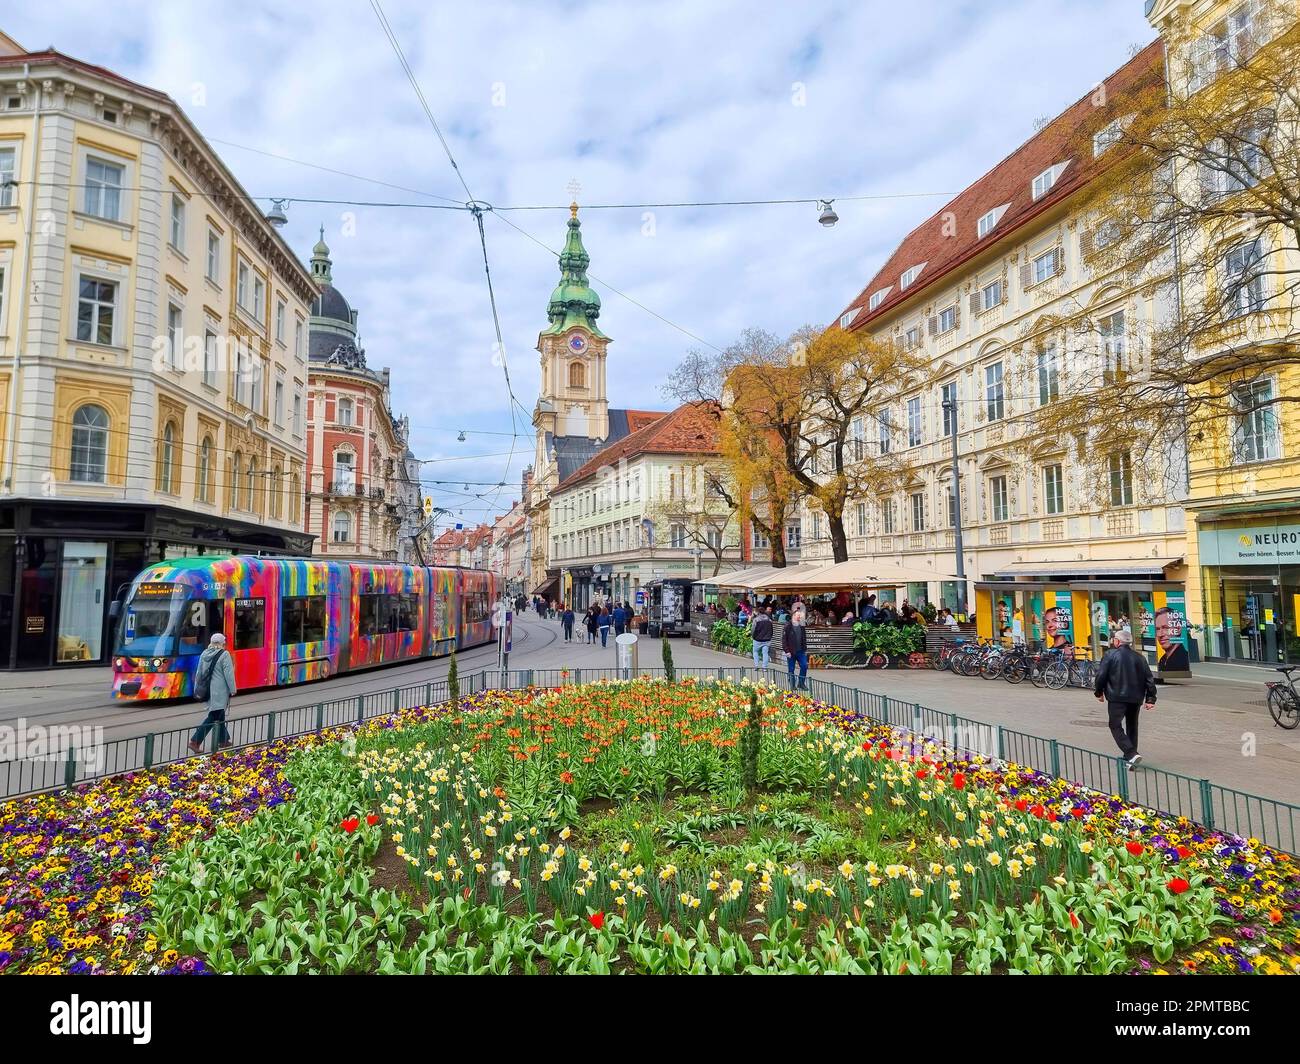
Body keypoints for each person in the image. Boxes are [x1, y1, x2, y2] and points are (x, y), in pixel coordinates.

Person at [1093, 629, 1157, 769]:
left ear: (1117, 641)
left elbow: (1101, 675)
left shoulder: (1110, 655)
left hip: (1116, 697)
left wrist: (1098, 692)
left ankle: (1131, 753)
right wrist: (1150, 699)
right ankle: (1131, 759)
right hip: (1136, 698)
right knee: (1132, 726)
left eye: (1113, 639)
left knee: (1115, 725)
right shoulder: (1140, 658)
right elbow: (1149, 679)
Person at [188, 632, 236, 753]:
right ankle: (195, 741)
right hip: (220, 691)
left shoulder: (205, 653)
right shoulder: (224, 655)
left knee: (219, 714)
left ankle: (224, 740)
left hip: (209, 690)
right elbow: (229, 674)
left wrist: (196, 688)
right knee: (214, 716)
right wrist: (233, 689)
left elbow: (199, 672)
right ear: (222, 643)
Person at [1154, 606, 1190, 673]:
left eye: (1165, 628)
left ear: (1178, 629)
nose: (1160, 634)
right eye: (1157, 629)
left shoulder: (1182, 661)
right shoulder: (1163, 660)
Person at [783, 608, 809, 691]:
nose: (800, 617)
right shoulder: (788, 626)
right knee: (791, 668)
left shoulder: (801, 626)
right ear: (793, 616)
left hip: (800, 650)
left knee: (804, 666)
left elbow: (804, 638)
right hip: (791, 651)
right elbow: (784, 640)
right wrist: (787, 651)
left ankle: (801, 683)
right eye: (798, 616)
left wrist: (805, 649)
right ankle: (792, 684)